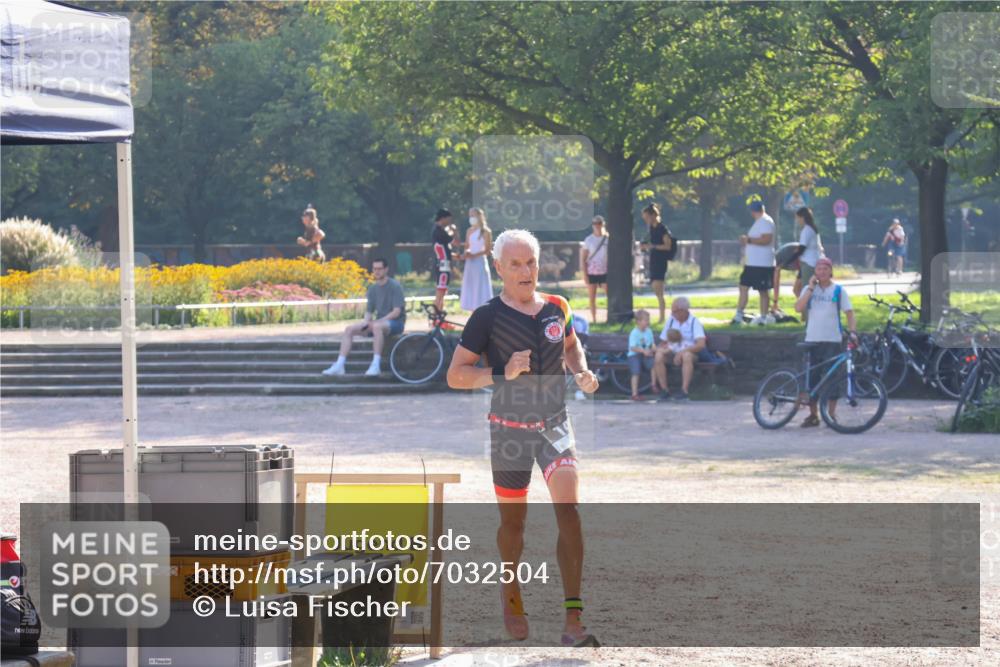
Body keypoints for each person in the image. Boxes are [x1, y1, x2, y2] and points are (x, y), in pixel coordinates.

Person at [446, 229, 601, 648]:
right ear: (498, 268)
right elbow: (456, 374)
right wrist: (501, 374)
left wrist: (581, 371)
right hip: (509, 432)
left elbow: (572, 348)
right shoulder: (487, 316)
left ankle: (573, 620)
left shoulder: (557, 307)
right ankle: (510, 589)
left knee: (569, 511)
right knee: (513, 525)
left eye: (530, 262)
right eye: (515, 264)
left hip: (555, 425)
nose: (525, 270)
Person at [793, 257, 858, 427]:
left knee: (832, 379)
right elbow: (798, 308)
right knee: (812, 378)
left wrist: (852, 332)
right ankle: (813, 415)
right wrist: (810, 288)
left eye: (825, 269)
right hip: (812, 338)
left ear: (830, 271)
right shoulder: (809, 289)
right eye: (819, 269)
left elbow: (849, 313)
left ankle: (831, 413)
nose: (821, 272)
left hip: (832, 339)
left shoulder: (838, 290)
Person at [322, 258, 405, 377]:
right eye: (374, 269)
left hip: (395, 323)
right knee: (349, 329)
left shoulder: (395, 286)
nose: (377, 272)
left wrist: (377, 322)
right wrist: (365, 322)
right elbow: (369, 311)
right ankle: (340, 365)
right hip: (379, 323)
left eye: (380, 269)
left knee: (376, 326)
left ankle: (375, 365)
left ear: (386, 269)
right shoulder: (372, 289)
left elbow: (396, 312)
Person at [654, 296, 708, 402]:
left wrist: (682, 352)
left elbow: (701, 344)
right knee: (658, 356)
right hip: (672, 351)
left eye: (675, 312)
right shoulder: (671, 320)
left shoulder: (694, 322)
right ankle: (665, 390)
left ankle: (684, 390)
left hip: (690, 352)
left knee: (686, 356)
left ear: (683, 311)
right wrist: (661, 348)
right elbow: (664, 341)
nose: (672, 314)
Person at [772, 207, 823, 317]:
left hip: (809, 264)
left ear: (802, 217)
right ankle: (805, 314)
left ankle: (809, 316)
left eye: (797, 218)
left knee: (806, 291)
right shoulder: (812, 229)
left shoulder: (807, 230)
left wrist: (785, 262)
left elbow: (801, 250)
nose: (797, 221)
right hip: (806, 263)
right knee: (796, 290)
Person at [732, 200, 775, 325]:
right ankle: (739, 315)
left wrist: (748, 240)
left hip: (762, 263)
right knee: (743, 287)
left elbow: (767, 239)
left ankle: (763, 317)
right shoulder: (758, 222)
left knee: (763, 290)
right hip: (752, 263)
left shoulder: (766, 221)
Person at [640, 203, 672, 323]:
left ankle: (662, 317)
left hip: (660, 261)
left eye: (647, 217)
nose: (646, 220)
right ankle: (661, 316)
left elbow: (667, 246)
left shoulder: (662, 229)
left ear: (653, 215)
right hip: (653, 260)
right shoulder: (651, 229)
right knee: (655, 287)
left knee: (658, 289)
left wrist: (652, 246)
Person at [460, 207, 494, 311]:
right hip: (470, 263)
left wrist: (474, 255)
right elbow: (467, 246)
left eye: (473, 215)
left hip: (480, 262)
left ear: (479, 216)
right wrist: (466, 253)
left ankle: (482, 311)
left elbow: (488, 250)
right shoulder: (469, 231)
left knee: (480, 286)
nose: (471, 218)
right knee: (470, 286)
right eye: (470, 215)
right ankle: (472, 311)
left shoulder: (486, 231)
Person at [580, 216, 609, 323]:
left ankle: (608, 318)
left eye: (599, 223)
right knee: (592, 297)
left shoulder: (608, 239)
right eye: (595, 223)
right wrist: (585, 274)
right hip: (592, 271)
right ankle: (594, 319)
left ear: (603, 224)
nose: (597, 225)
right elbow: (583, 258)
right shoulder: (589, 240)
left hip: (605, 271)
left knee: (609, 295)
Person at [432, 208, 460, 313]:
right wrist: (455, 231)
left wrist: (452, 255)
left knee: (442, 291)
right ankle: (436, 317)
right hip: (443, 265)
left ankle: (439, 316)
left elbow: (443, 249)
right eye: (448, 219)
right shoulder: (440, 231)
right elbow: (456, 242)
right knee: (440, 291)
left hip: (442, 263)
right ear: (443, 218)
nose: (449, 222)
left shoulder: (437, 230)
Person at [627, 309, 656, 400]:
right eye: (646, 320)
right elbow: (632, 347)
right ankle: (634, 393)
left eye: (648, 320)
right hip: (634, 354)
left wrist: (653, 348)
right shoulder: (634, 333)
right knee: (636, 372)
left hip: (646, 354)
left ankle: (653, 384)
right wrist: (643, 351)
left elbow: (651, 343)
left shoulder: (649, 331)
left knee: (653, 364)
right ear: (638, 322)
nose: (648, 322)